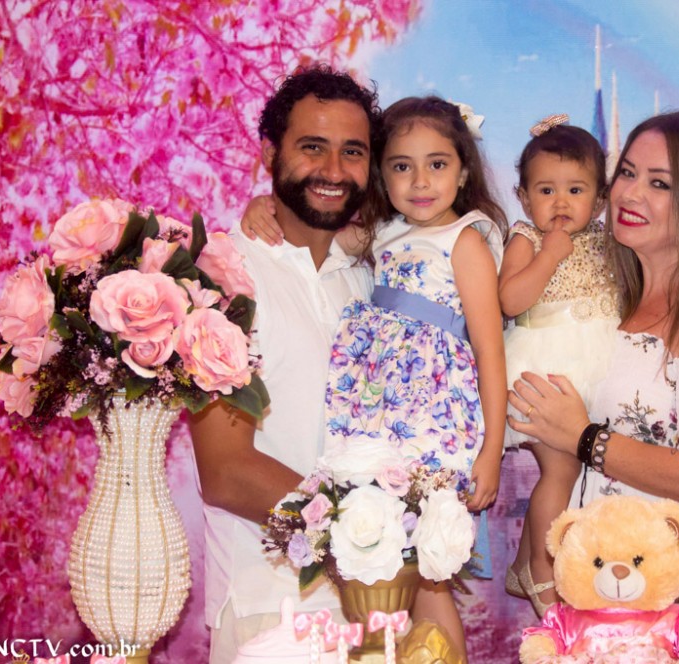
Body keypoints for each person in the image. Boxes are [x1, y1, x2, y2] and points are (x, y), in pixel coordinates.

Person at [243, 95, 508, 660]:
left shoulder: (465, 240)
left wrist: (491, 450)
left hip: (433, 417)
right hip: (374, 417)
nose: (420, 181)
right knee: (384, 557)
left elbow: (489, 349)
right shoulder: (378, 234)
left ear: (463, 172)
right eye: (402, 166)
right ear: (381, 176)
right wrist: (260, 206)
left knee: (428, 566)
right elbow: (301, 231)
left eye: (438, 164)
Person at [507, 110, 679, 620]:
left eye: (659, 183)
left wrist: (582, 436)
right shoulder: (619, 301)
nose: (631, 194)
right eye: (627, 173)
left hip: (668, 586)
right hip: (600, 573)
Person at [188, 65, 381, 664]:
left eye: (352, 152)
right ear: (270, 153)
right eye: (312, 147)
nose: (334, 170)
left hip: (378, 607)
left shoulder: (368, 279)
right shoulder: (227, 275)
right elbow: (227, 471)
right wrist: (362, 541)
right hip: (270, 611)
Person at [497, 114, 619, 618]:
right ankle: (541, 572)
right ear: (524, 199)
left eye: (576, 189)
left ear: (600, 200)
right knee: (561, 469)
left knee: (579, 473)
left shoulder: (608, 240)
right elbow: (509, 300)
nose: (561, 202)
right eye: (546, 190)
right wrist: (547, 256)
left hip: (597, 366)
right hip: (544, 369)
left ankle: (523, 564)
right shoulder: (526, 237)